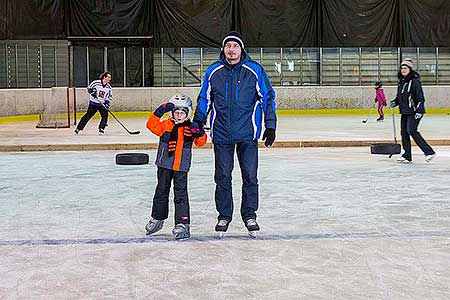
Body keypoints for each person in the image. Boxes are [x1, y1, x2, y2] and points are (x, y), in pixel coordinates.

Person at [193, 31, 277, 236]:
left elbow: (268, 97)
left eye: (235, 46)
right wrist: (198, 120)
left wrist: (271, 125)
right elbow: (204, 98)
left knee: (250, 176)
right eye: (228, 46)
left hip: (248, 133)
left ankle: (250, 215)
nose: (231, 50)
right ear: (223, 49)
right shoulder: (214, 71)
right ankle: (224, 215)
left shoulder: (254, 70)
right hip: (221, 133)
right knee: (222, 176)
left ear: (241, 49)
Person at [144, 94, 207, 240]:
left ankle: (182, 223)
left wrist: (199, 131)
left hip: (181, 167)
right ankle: (157, 218)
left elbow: (201, 142)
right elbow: (151, 125)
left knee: (181, 195)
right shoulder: (166, 125)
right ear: (171, 113)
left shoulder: (190, 128)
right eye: (176, 113)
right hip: (164, 165)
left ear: (188, 113)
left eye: (182, 113)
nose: (179, 116)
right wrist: (159, 111)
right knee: (161, 191)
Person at [390, 58, 435, 163]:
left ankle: (429, 152)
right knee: (404, 132)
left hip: (414, 111)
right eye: (402, 68)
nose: (403, 70)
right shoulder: (402, 81)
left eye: (405, 68)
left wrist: (419, 111)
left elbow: (420, 98)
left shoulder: (415, 81)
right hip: (405, 111)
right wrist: (395, 102)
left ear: (410, 69)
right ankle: (407, 155)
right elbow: (400, 97)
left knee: (412, 131)